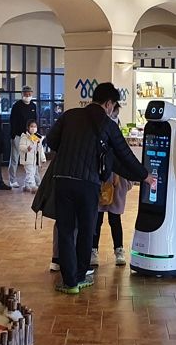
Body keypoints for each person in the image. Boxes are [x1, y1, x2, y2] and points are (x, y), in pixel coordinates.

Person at [46, 82, 155, 294]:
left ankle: (69, 283)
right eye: (114, 106)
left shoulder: (69, 115)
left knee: (66, 230)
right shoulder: (108, 125)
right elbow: (125, 155)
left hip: (62, 180)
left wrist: (70, 151)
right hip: (88, 184)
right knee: (87, 230)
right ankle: (79, 277)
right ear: (108, 103)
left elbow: (51, 140)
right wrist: (145, 176)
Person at [91, 103, 133, 267]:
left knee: (115, 219)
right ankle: (93, 250)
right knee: (97, 219)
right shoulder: (97, 135)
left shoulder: (118, 136)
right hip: (100, 181)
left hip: (117, 185)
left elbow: (126, 159)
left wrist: (124, 180)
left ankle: (119, 250)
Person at [9, 86, 37, 188]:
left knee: (30, 159)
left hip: (29, 136)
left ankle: (31, 180)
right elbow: (12, 121)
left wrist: (34, 135)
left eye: (29, 94)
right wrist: (13, 135)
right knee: (15, 158)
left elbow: (34, 121)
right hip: (18, 135)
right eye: (26, 94)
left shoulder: (33, 106)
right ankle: (12, 180)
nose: (28, 96)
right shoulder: (17, 106)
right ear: (22, 94)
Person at [19, 119, 46, 193]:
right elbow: (21, 147)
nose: (33, 128)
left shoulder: (37, 138)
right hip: (27, 159)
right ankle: (33, 186)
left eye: (35, 126)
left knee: (31, 173)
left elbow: (40, 149)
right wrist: (27, 148)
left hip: (34, 160)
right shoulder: (24, 137)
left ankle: (26, 185)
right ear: (28, 127)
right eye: (31, 126)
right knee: (30, 173)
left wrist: (42, 159)